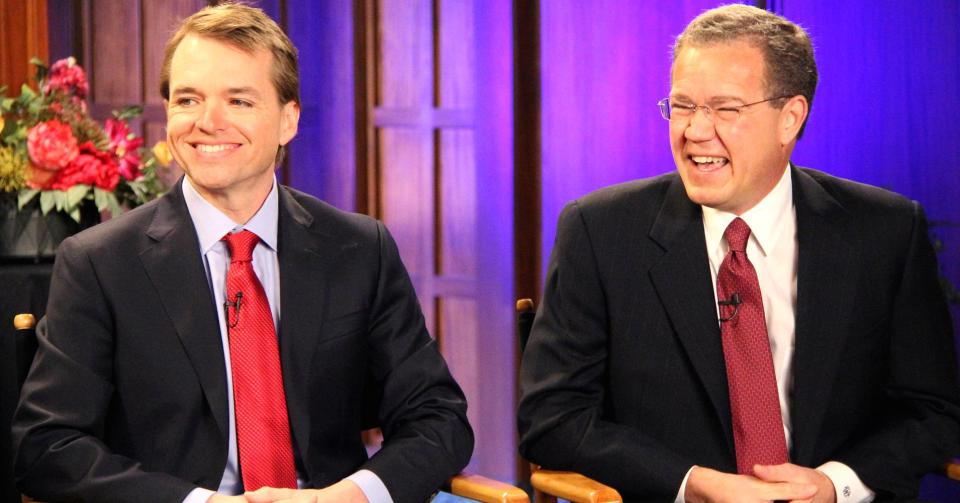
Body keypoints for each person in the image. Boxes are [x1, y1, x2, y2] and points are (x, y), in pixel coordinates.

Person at [13, 3, 472, 502]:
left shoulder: (360, 250)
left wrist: (347, 497)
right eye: (188, 99)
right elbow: (47, 446)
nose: (208, 123)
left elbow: (439, 419)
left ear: (287, 120)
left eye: (239, 101)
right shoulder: (100, 264)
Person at [517, 4, 960, 502]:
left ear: (789, 118)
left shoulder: (886, 232)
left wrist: (834, 484)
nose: (695, 131)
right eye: (682, 106)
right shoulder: (600, 232)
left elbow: (932, 411)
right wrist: (693, 484)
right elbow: (552, 418)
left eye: (725, 109)